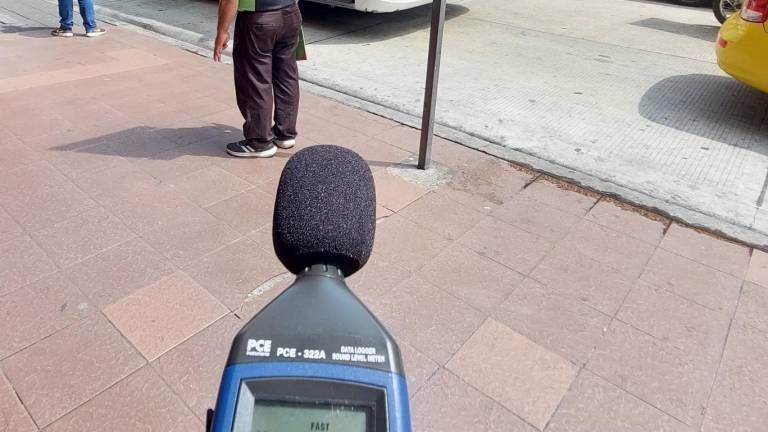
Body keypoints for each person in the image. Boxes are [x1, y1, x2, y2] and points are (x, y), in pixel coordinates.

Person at [214, 0, 302, 158]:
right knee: (286, 76)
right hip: (290, 14)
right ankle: (285, 133)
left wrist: (222, 30)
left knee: (255, 80)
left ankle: (258, 142)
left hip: (259, 19)